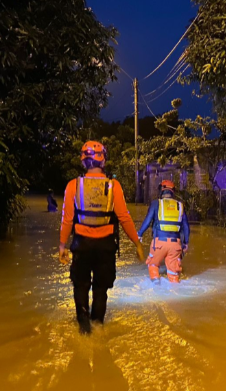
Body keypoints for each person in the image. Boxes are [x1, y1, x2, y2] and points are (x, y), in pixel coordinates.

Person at [59, 140, 145, 334]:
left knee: (80, 285)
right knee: (101, 289)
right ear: (103, 160)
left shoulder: (73, 185)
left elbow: (67, 219)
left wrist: (62, 245)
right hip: (105, 247)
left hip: (81, 245)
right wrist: (137, 244)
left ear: (83, 161)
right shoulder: (114, 186)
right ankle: (98, 326)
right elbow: (124, 218)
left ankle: (83, 326)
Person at [138, 180, 190, 284]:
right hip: (175, 245)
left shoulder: (156, 203)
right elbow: (186, 227)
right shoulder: (180, 206)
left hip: (159, 244)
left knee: (153, 265)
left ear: (161, 190)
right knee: (174, 274)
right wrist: (185, 244)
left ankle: (156, 286)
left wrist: (139, 234)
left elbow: (147, 221)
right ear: (173, 191)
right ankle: (175, 292)